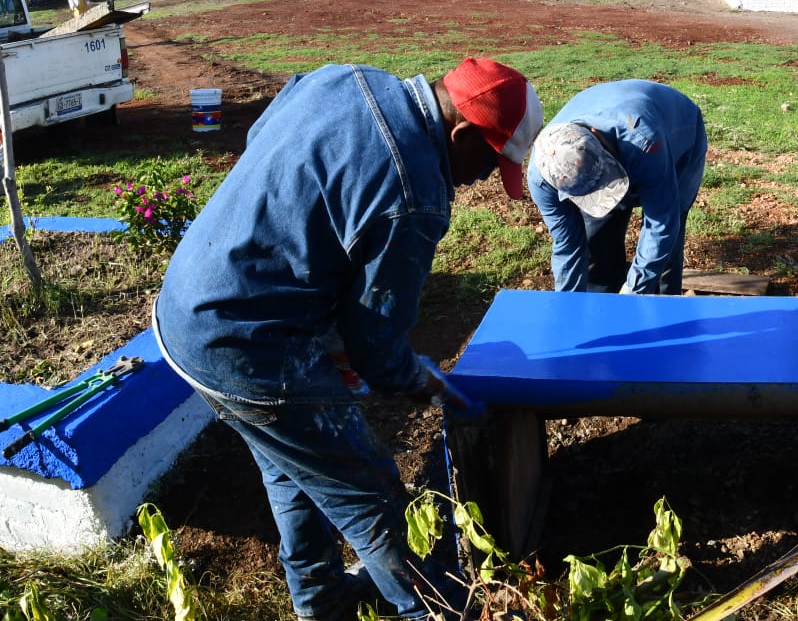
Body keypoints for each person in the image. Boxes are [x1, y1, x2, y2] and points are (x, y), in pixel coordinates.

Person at [154, 57, 544, 621]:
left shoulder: (346, 79)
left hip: (186, 308)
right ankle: (431, 611)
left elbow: (263, 136)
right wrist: (426, 380)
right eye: (489, 162)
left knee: (298, 468)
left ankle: (323, 605)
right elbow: (376, 350)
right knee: (374, 497)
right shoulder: (413, 195)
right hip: (247, 347)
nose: (484, 178)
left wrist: (319, 319)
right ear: (460, 133)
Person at [528, 80, 707, 294]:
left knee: (666, 246)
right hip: (622, 135)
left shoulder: (645, 141)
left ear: (596, 135)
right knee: (599, 243)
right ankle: (601, 309)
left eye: (604, 183)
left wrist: (634, 290)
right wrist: (568, 305)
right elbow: (567, 245)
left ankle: (663, 308)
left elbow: (661, 225)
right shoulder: (543, 177)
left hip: (679, 138)